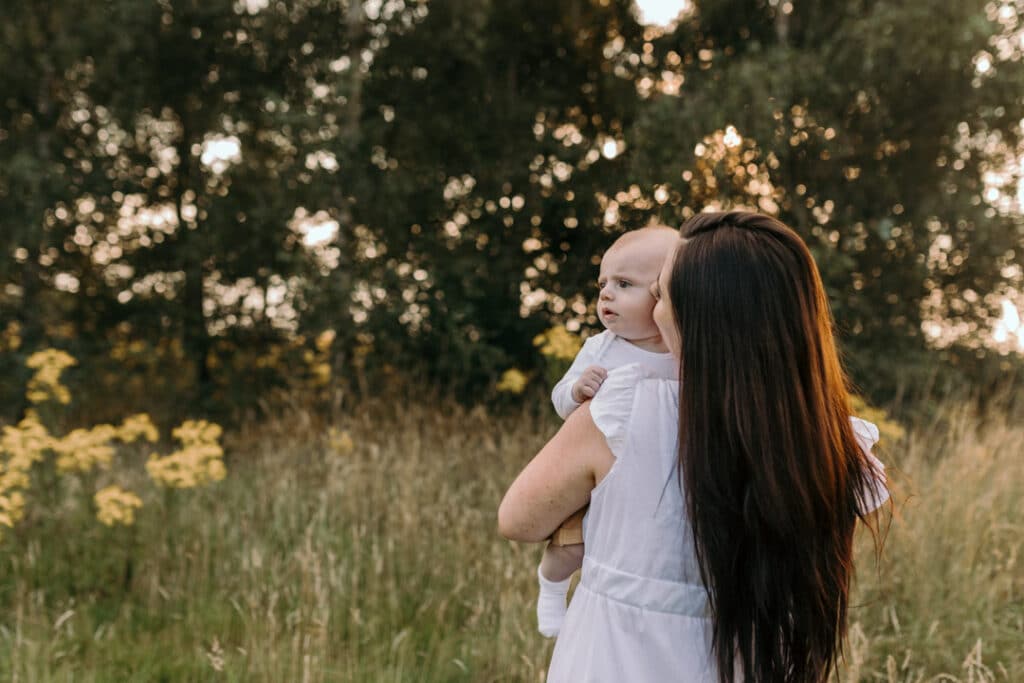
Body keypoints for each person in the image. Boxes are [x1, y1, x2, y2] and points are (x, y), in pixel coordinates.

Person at [499, 211, 889, 683]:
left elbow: (519, 520)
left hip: (618, 662)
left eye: (661, 293)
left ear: (699, 314)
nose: (655, 309)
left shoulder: (623, 409)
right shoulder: (824, 441)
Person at [537, 225, 680, 638]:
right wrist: (578, 392)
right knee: (572, 547)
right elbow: (561, 398)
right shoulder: (601, 348)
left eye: (624, 283)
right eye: (603, 284)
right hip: (597, 475)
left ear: (663, 293)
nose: (606, 295)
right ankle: (552, 585)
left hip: (650, 478)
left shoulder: (679, 351)